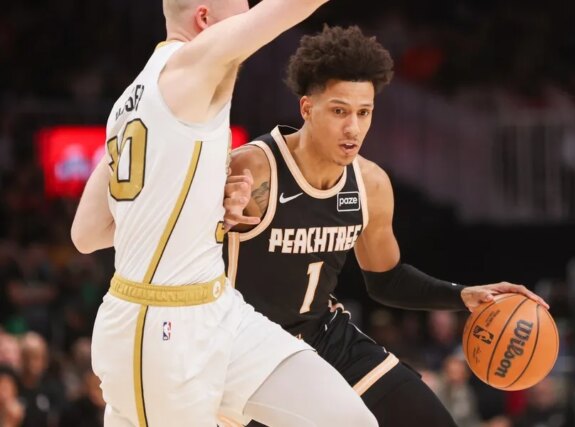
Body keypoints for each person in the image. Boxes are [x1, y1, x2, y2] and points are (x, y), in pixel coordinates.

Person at [223, 25, 549, 427]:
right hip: (249, 349)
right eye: (339, 111)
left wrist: (463, 295)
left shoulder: (370, 184)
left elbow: (386, 280)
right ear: (307, 108)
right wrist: (213, 219)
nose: (353, 128)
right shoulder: (252, 169)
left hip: (325, 336)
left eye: (364, 112)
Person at [71, 2, 379, 426]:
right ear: (205, 19)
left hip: (217, 309)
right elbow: (286, 10)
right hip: (160, 328)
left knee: (348, 421)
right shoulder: (191, 65)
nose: (250, 12)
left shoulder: (131, 102)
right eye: (242, 7)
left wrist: (203, 205)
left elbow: (87, 232)